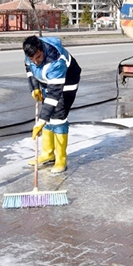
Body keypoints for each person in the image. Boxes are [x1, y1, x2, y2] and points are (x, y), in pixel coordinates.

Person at [23, 35, 82, 174]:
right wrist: (35, 87)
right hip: (47, 81)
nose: (36, 62)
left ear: (41, 49)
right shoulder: (30, 54)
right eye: (32, 59)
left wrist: (40, 121)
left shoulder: (56, 62)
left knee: (58, 118)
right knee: (48, 118)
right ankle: (48, 154)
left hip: (66, 82)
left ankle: (61, 159)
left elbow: (55, 94)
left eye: (38, 57)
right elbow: (29, 69)